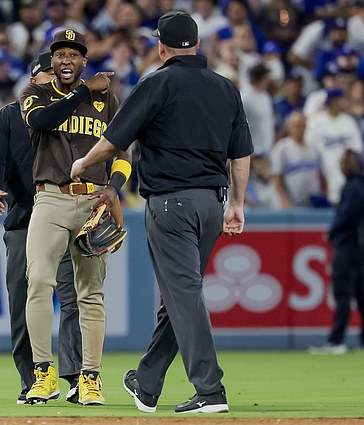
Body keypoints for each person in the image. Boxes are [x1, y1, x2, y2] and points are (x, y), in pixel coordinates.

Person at [71, 11, 253, 414]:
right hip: (212, 203)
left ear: (161, 46)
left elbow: (115, 139)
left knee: (183, 293)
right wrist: (237, 203)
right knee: (178, 296)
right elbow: (241, 154)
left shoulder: (156, 82)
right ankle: (147, 382)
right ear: (198, 44)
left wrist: (82, 164)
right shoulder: (225, 88)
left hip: (171, 203)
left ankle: (210, 388)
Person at [20, 29, 131, 406]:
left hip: (92, 202)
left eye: (74, 54)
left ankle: (90, 377)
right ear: (51, 61)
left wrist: (114, 188)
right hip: (50, 198)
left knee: (91, 294)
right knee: (38, 281)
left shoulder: (108, 101)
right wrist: (84, 91)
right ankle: (43, 373)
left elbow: (121, 152)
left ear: (84, 60)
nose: (66, 60)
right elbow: (44, 121)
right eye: (60, 54)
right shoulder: (35, 94)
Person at [0, 51, 83, 405]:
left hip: (68, 217)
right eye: (51, 73)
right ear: (35, 79)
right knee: (22, 299)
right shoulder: (9, 116)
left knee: (75, 299)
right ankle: (33, 376)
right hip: (24, 219)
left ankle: (77, 377)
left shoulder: (80, 111)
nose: (59, 78)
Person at [310, 149, 364, 354]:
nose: (340, 165)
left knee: (343, 292)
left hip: (348, 244)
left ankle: (337, 340)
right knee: (361, 291)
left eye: (342, 162)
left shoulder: (354, 187)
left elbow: (346, 215)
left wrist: (332, 232)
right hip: (361, 243)